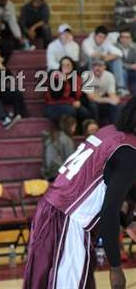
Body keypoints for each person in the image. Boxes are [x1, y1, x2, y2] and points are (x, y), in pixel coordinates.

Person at [24, 97, 136, 289]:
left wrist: (127, 221)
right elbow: (108, 213)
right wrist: (115, 267)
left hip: (52, 210)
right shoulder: (128, 152)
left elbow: (99, 190)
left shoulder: (109, 132)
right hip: (68, 220)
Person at [44, 56, 93, 125]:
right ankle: (68, 133)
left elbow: (81, 95)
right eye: (63, 65)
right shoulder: (55, 77)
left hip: (69, 104)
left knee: (84, 111)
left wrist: (79, 102)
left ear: (72, 66)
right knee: (70, 110)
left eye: (68, 65)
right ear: (60, 67)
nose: (66, 67)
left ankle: (82, 133)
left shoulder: (76, 79)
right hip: (54, 106)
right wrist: (63, 81)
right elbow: (55, 96)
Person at [82, 25, 128, 96]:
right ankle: (91, 86)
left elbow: (119, 53)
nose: (101, 39)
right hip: (86, 65)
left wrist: (109, 57)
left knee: (117, 60)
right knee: (93, 59)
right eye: (100, 37)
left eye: (104, 38)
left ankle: (120, 88)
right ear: (95, 35)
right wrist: (105, 56)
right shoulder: (87, 42)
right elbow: (92, 54)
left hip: (101, 63)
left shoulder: (105, 42)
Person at [85, 59, 121, 125]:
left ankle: (116, 127)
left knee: (115, 105)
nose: (97, 68)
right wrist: (108, 100)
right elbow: (91, 97)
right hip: (88, 101)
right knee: (93, 106)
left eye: (100, 65)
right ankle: (95, 128)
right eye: (95, 65)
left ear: (105, 67)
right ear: (92, 67)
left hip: (102, 99)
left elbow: (112, 94)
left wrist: (113, 99)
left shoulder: (109, 76)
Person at [41, 115, 77, 182]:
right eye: (74, 127)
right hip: (59, 173)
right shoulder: (66, 139)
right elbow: (70, 160)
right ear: (69, 126)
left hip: (47, 173)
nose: (75, 130)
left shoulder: (51, 137)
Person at [117, 30, 136, 95]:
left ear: (131, 39)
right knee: (123, 71)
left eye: (127, 37)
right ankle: (124, 92)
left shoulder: (134, 47)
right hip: (120, 71)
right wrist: (130, 66)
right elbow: (117, 63)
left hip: (133, 71)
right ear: (119, 38)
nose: (124, 39)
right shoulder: (115, 47)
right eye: (122, 37)